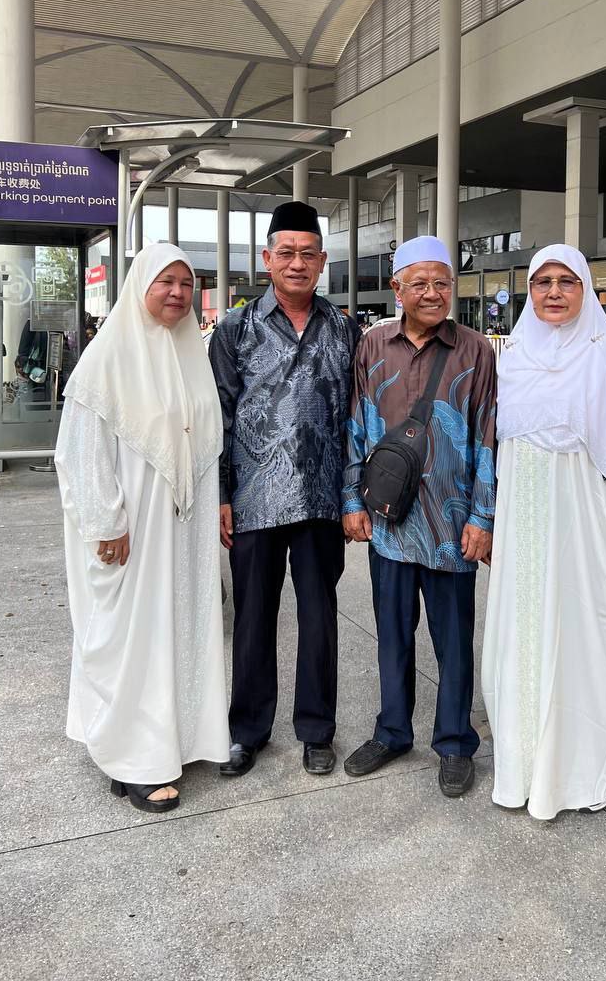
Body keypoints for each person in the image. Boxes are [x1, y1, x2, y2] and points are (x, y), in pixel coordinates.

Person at [481, 244, 606, 820]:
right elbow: (495, 451)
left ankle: (576, 776)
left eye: (567, 281)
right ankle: (523, 771)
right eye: (543, 282)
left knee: (584, 639)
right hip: (522, 525)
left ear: (586, 289)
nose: (555, 292)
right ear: (529, 292)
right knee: (522, 640)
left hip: (585, 521)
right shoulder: (512, 356)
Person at [55, 243, 228, 814]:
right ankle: (133, 760)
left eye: (186, 283)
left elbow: (202, 440)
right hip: (131, 530)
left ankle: (170, 743)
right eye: (165, 282)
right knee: (129, 639)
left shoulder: (190, 353)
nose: (177, 293)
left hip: (181, 530)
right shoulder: (107, 358)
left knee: (173, 631)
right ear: (139, 287)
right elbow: (80, 451)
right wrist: (105, 520)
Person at [209, 201, 360, 778]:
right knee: (253, 619)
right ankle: (247, 730)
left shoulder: (345, 329)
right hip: (254, 500)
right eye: (287, 253)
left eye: (308, 254)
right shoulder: (236, 328)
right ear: (267, 258)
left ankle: (317, 730)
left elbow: (357, 420)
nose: (297, 263)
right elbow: (220, 416)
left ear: (322, 261)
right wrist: (222, 495)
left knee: (319, 618)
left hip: (322, 499)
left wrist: (352, 496)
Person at [342, 235, 497, 799]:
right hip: (390, 523)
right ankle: (392, 731)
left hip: (453, 526)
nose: (433, 294)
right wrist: (351, 501)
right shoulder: (372, 344)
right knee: (392, 634)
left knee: (453, 640)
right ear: (397, 288)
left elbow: (487, 435)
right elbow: (356, 424)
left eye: (442, 284)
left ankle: (455, 743)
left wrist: (483, 516)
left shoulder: (475, 349)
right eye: (420, 284)